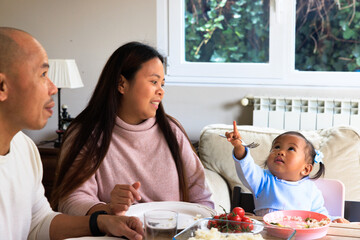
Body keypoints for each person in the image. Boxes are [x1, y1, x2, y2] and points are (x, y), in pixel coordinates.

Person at [0, 27, 144, 239]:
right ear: (2, 86)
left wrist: (102, 222)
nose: (53, 88)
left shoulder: (25, 147)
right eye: (42, 74)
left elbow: (38, 222)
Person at [50, 41, 213, 216]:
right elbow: (70, 200)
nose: (161, 91)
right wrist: (108, 209)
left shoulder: (172, 132)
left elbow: (202, 199)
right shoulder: (85, 134)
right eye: (153, 81)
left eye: (162, 84)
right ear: (121, 84)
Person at [224, 121, 349, 223]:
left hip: (299, 235)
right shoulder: (263, 180)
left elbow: (320, 215)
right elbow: (246, 167)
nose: (280, 152)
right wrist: (239, 147)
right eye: (277, 147)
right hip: (267, 235)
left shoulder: (311, 190)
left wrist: (334, 220)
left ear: (306, 169)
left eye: (291, 148)